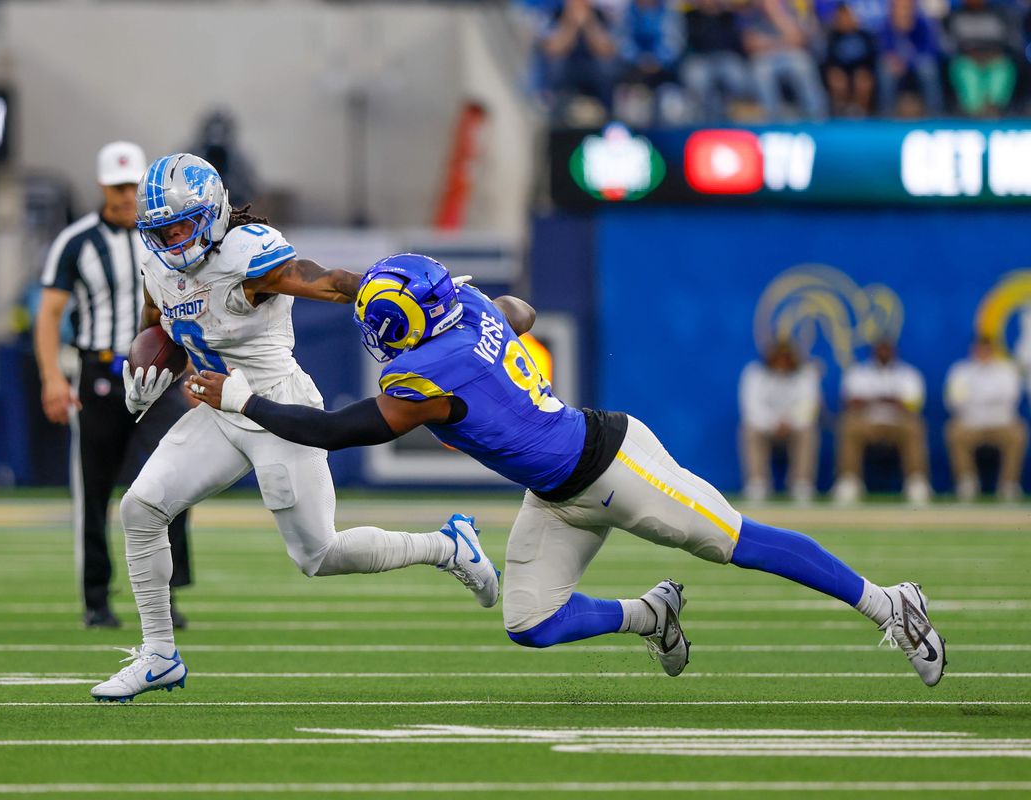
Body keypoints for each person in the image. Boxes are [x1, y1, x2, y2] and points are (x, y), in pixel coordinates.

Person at [192, 254, 946, 688]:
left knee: (732, 541)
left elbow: (329, 431)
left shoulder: (427, 376)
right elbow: (514, 310)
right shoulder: (469, 308)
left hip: (616, 464)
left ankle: (890, 603)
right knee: (530, 622)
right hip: (557, 491)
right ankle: (651, 613)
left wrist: (241, 396)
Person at [88, 155, 499, 703]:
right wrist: (144, 370)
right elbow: (156, 319)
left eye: (180, 227)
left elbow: (334, 284)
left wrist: (436, 298)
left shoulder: (247, 255)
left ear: (211, 215)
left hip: (277, 405)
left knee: (318, 556)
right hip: (218, 409)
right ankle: (159, 654)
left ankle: (447, 546)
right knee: (140, 508)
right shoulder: (158, 263)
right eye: (158, 231)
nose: (169, 241)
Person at [35, 141, 195, 630]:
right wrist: (52, 378)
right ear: (104, 186)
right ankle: (96, 599)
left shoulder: (166, 234)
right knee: (95, 489)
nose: (128, 195)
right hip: (101, 373)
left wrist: (192, 369)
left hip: (162, 373)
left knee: (172, 482)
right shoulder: (78, 240)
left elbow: (191, 302)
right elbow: (50, 313)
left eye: (134, 185)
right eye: (120, 186)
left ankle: (166, 594)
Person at [833, 340, 931, 505]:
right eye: (880, 349)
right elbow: (850, 402)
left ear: (894, 351)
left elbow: (913, 405)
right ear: (873, 351)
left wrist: (874, 399)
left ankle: (916, 481)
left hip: (898, 423)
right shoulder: (858, 372)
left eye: (887, 349)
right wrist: (890, 399)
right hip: (867, 423)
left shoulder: (908, 374)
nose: (883, 353)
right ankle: (849, 481)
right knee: (848, 425)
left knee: (915, 425)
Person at [738, 339, 822, 502]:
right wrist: (773, 423)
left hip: (795, 427)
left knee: (809, 431)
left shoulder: (806, 374)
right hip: (766, 428)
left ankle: (801, 483)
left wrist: (789, 422)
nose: (782, 361)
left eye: (786, 357)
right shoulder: (754, 374)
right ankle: (758, 483)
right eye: (778, 356)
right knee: (749, 430)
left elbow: (809, 407)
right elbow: (751, 408)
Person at [944, 335, 1026, 502]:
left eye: (987, 349)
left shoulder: (1007, 370)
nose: (983, 353)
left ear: (993, 351)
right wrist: (989, 399)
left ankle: (1008, 484)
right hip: (970, 424)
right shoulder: (960, 371)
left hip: (1001, 423)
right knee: (953, 431)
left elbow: (1011, 399)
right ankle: (966, 482)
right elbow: (953, 402)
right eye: (980, 349)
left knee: (1018, 432)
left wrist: (975, 399)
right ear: (973, 350)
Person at [741, 0, 829, 120]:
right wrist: (782, 42)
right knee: (761, 71)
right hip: (765, 58)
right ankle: (772, 118)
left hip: (789, 54)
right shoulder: (752, 15)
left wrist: (777, 16)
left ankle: (816, 116)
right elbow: (751, 45)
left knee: (803, 65)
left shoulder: (789, 12)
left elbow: (798, 40)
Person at [538, 0, 623, 118]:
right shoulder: (556, 15)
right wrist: (570, 24)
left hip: (592, 69)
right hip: (568, 69)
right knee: (555, 66)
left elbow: (605, 50)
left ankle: (609, 116)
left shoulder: (600, 16)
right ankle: (556, 117)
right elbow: (554, 50)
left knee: (607, 68)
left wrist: (589, 24)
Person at [680, 0, 754, 122]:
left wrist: (721, 12)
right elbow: (690, 43)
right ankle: (704, 119)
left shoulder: (727, 16)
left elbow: (735, 42)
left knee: (735, 74)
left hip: (726, 57)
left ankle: (732, 115)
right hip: (700, 58)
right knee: (697, 77)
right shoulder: (691, 16)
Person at [944, 0, 1017, 117]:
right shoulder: (954, 16)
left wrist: (993, 54)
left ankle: (993, 109)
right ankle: (975, 113)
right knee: (965, 70)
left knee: (1004, 67)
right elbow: (948, 45)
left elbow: (1008, 40)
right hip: (967, 59)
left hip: (994, 58)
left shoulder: (997, 14)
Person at [877, 0, 944, 117]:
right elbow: (884, 50)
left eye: (906, 8)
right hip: (896, 64)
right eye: (900, 8)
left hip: (917, 62)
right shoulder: (886, 25)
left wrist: (910, 62)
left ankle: (935, 112)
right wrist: (895, 61)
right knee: (885, 70)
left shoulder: (922, 24)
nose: (904, 11)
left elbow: (929, 50)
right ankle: (886, 113)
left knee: (928, 69)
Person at [823, 2, 879, 116]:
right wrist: (836, 72)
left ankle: (861, 114)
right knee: (837, 79)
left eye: (847, 16)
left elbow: (872, 59)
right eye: (841, 18)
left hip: (861, 71)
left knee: (863, 80)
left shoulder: (864, 35)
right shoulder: (832, 37)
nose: (845, 20)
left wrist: (866, 71)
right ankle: (840, 113)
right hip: (841, 71)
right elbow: (829, 62)